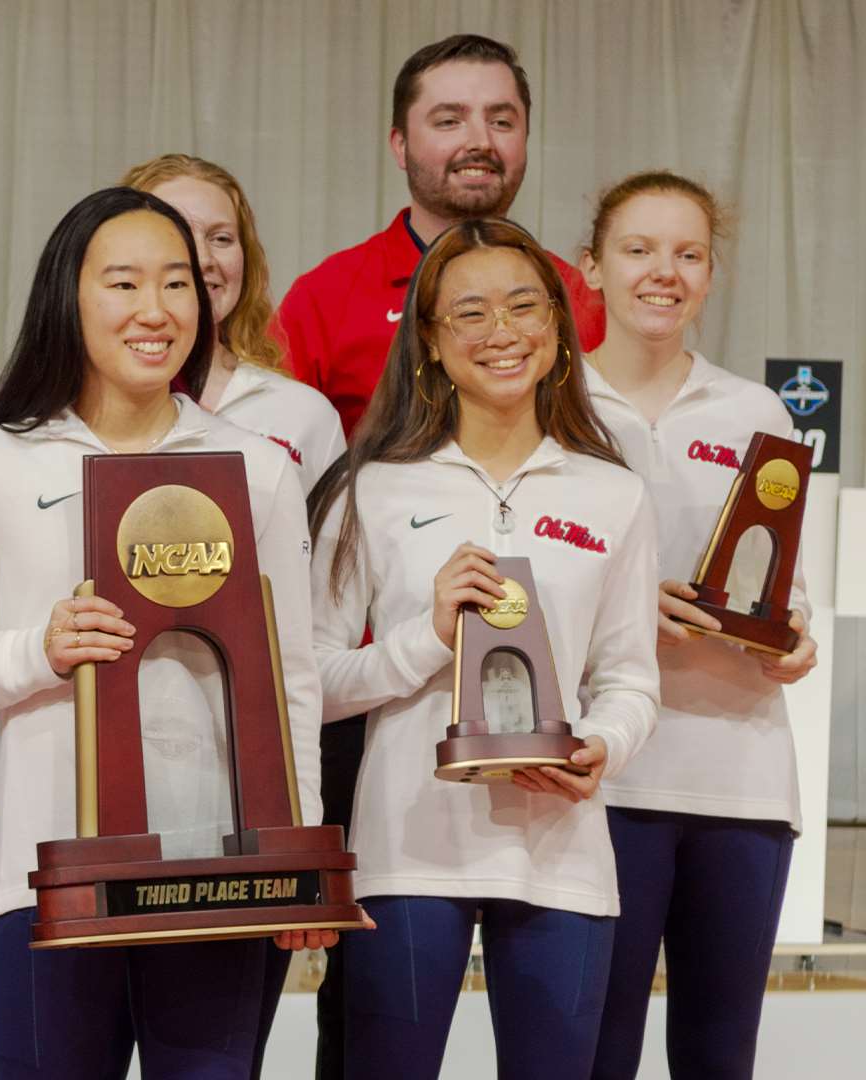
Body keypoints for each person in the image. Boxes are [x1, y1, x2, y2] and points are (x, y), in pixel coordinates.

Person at [0, 186, 329, 1079]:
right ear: (68, 298)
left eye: (178, 284)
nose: (154, 312)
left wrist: (298, 853)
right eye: (122, 284)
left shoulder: (256, 469)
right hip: (48, 878)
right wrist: (35, 651)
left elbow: (293, 678)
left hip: (222, 877)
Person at [273, 37, 609, 1070]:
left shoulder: (568, 299)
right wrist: (420, 637)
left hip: (546, 774)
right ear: (401, 140)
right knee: (366, 1032)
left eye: (501, 119)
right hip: (379, 725)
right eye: (450, 118)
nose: (478, 141)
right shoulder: (326, 297)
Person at [307, 218, 658, 1079]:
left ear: (557, 328)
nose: (501, 332)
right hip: (409, 849)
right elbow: (307, 681)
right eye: (468, 313)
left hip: (561, 849)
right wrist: (424, 639)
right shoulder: (373, 486)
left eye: (522, 306)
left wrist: (600, 747)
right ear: (428, 340)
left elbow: (629, 678)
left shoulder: (613, 492)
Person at [578, 171, 818, 1080]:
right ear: (591, 267)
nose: (663, 273)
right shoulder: (555, 407)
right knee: (599, 1051)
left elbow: (790, 586)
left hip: (742, 781)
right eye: (638, 250)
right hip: (610, 780)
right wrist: (630, 609)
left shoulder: (755, 410)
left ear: (712, 275)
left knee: (720, 1056)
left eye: (688, 254)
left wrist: (795, 636)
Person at [121, 154, 345, 493]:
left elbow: (333, 546)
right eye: (176, 233)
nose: (204, 259)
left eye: (221, 238)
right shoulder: (80, 409)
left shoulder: (305, 414)